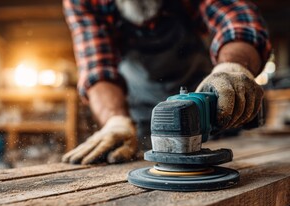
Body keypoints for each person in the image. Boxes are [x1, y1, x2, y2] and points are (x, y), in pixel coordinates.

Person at [62, 0, 271, 164]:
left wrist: (232, 67)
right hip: (143, 114)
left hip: (213, 102)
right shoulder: (86, 1)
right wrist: (115, 121)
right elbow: (97, 69)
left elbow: (238, 20)